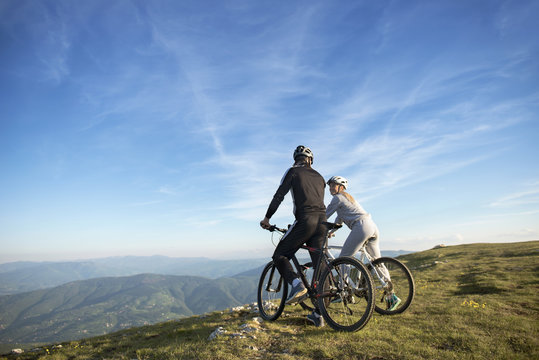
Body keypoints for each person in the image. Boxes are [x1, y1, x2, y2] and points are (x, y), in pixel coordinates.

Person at [260, 145, 327, 327]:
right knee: (321, 267)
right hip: (323, 222)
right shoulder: (320, 177)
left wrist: (267, 217)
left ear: (295, 159)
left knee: (279, 255)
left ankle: (297, 284)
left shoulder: (293, 172)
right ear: (310, 161)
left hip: (306, 220)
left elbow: (279, 195)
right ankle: (319, 314)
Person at [325, 175, 401, 311]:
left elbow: (325, 216)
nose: (330, 188)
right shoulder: (348, 200)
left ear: (341, 187)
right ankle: (391, 296)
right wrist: (331, 231)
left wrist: (316, 226)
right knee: (377, 261)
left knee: (343, 258)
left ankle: (344, 292)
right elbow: (338, 221)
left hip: (361, 227)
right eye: (330, 185)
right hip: (372, 226)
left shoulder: (337, 198)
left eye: (333, 185)